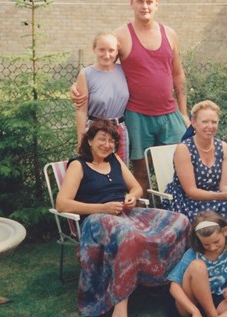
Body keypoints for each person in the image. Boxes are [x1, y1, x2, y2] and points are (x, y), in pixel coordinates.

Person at [56, 119, 190, 317]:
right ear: (89, 141)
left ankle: (164, 284)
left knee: (180, 220)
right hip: (96, 221)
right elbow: (62, 204)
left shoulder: (115, 160)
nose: (107, 144)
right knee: (131, 237)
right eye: (102, 139)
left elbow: (135, 187)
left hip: (124, 214)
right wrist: (103, 208)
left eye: (111, 140)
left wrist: (132, 197)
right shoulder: (79, 165)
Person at [71, 0, 189, 193]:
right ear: (131, 4)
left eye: (149, 2)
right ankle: (142, 215)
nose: (145, 6)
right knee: (140, 173)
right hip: (137, 116)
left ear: (156, 4)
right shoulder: (121, 36)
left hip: (170, 114)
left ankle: (176, 214)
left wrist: (183, 112)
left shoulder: (170, 34)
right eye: (140, 2)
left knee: (177, 167)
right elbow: (103, 67)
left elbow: (178, 74)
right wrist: (76, 86)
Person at [163, 100, 227, 250]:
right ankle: (211, 257)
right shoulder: (184, 149)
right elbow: (191, 192)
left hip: (215, 195)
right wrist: (223, 196)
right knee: (222, 211)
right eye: (205, 121)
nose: (210, 126)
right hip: (187, 200)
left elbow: (224, 186)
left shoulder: (223, 147)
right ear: (193, 123)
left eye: (214, 122)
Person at [74, 31, 130, 164]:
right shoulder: (86, 74)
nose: (107, 55)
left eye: (111, 50)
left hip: (119, 130)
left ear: (117, 52)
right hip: (95, 130)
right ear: (94, 49)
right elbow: (81, 111)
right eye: (102, 50)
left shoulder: (124, 71)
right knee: (97, 168)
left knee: (121, 170)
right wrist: (81, 141)